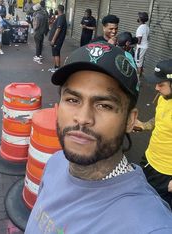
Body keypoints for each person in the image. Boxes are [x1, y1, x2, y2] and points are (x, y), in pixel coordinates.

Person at [25, 42, 172, 233]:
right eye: (72, 100)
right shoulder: (55, 162)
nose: (83, 118)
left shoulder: (150, 225)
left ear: (130, 120)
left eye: (104, 105)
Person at [134, 59, 172, 209]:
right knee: (145, 200)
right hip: (149, 160)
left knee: (161, 211)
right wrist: (143, 126)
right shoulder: (164, 98)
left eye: (161, 84)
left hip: (166, 173)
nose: (156, 88)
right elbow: (159, 118)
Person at [48, 4, 67, 73]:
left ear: (58, 9)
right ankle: (56, 67)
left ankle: (57, 68)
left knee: (56, 53)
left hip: (57, 40)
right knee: (56, 53)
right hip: (57, 40)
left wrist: (53, 39)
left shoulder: (61, 17)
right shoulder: (60, 17)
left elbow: (58, 29)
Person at [135, 12, 150, 77]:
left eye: (138, 17)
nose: (137, 18)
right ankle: (140, 75)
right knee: (140, 62)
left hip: (141, 47)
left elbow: (139, 41)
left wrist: (133, 43)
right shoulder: (146, 26)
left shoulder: (140, 28)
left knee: (138, 63)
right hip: (145, 46)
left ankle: (137, 79)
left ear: (140, 19)